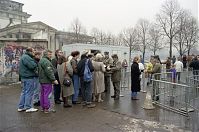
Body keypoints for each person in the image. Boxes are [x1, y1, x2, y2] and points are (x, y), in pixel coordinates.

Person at [18, 47, 38, 113]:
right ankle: (28, 107)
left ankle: (21, 107)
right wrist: (35, 63)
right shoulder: (27, 57)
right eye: (33, 51)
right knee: (29, 92)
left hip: (24, 77)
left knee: (24, 92)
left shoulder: (24, 56)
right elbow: (32, 66)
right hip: (28, 77)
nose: (34, 52)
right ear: (29, 51)